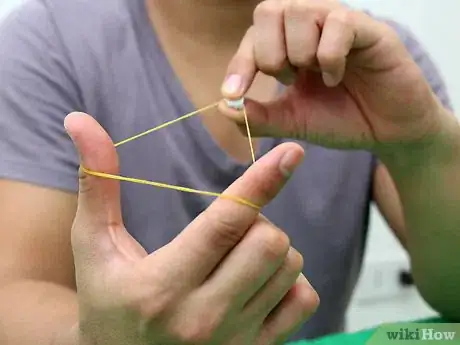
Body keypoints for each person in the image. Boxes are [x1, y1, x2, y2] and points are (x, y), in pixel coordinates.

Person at [0, 0, 458, 343]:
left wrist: (424, 144)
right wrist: (100, 339)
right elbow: (14, 293)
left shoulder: (372, 56)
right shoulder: (48, 42)